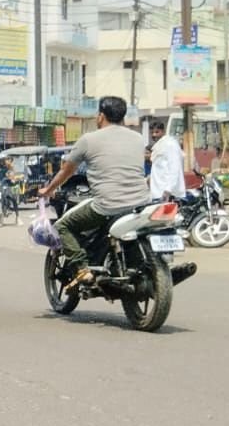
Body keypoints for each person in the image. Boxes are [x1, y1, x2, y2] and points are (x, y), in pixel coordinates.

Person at [39, 96, 148, 290]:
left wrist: (48, 190)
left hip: (107, 205)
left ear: (101, 116)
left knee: (62, 225)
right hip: (141, 203)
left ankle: (82, 269)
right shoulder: (138, 139)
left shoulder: (89, 140)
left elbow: (66, 171)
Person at [147, 119, 187, 201]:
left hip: (168, 194)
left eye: (157, 132)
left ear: (163, 131)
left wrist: (168, 190)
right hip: (158, 193)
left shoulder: (170, 144)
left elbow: (175, 168)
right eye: (152, 132)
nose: (154, 135)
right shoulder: (159, 145)